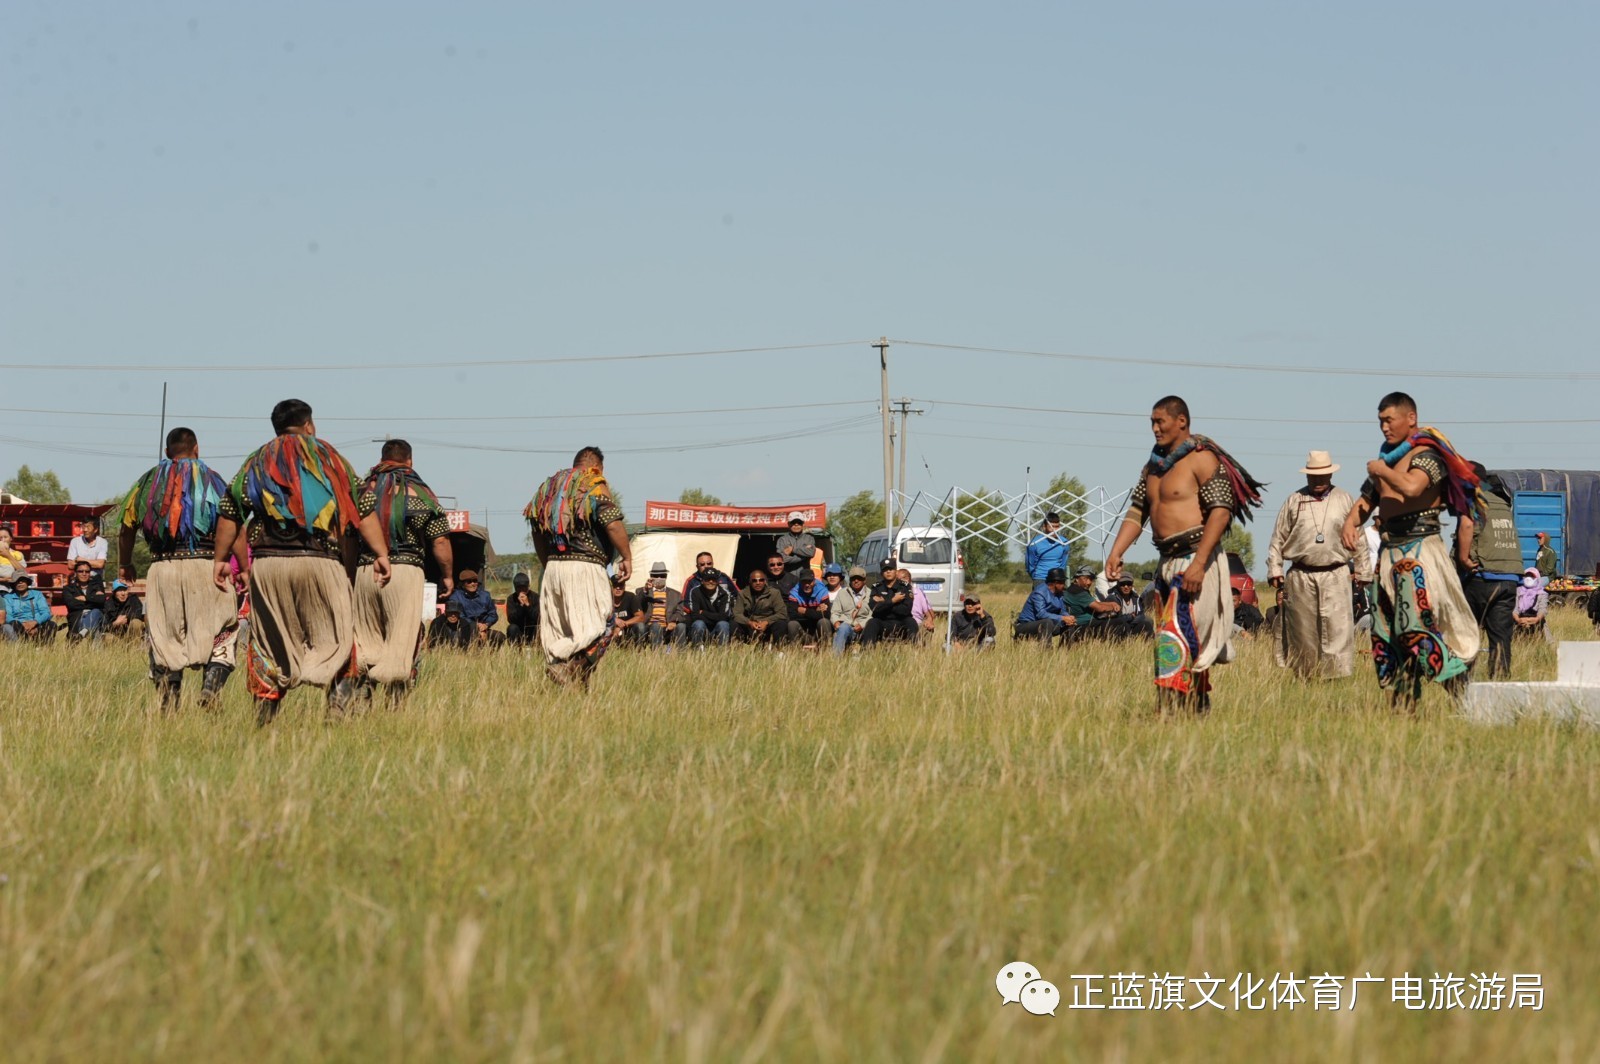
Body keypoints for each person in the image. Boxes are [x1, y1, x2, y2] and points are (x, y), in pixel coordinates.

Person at [213, 399, 391, 724]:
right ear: (309, 424)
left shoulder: (257, 460)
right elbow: (361, 510)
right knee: (339, 636)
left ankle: (265, 722)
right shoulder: (330, 457)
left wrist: (221, 559)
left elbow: (229, 512)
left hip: (267, 564)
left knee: (268, 642)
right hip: (320, 561)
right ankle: (336, 713)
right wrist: (380, 554)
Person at [1105, 396, 1265, 712]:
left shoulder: (1202, 460)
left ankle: (1187, 706)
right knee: (1170, 636)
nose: (1154, 428)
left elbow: (1220, 512)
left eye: (1159, 421)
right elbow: (1138, 511)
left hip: (1197, 560)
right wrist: (1116, 551)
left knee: (1187, 636)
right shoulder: (1152, 467)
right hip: (1167, 563)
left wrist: (1200, 564)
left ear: (1181, 421)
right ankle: (1181, 706)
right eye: (1151, 421)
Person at [1339, 392, 1481, 706]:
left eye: (1389, 420)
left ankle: (1460, 688)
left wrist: (1381, 470)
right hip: (1389, 553)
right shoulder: (1386, 459)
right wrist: (1351, 523)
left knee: (1413, 625)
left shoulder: (1427, 454)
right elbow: (1367, 501)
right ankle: (1404, 707)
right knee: (1387, 633)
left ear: (1410, 418)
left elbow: (1412, 487)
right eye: (1380, 422)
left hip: (1420, 551)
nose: (1384, 427)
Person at [118, 426, 246, 710]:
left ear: (167, 453)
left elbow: (126, 529)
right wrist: (245, 568)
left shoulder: (147, 482)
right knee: (223, 628)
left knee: (165, 635)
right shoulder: (214, 481)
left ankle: (168, 702)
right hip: (207, 566)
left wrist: (125, 563)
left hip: (162, 568)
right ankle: (211, 687)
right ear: (197, 448)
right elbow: (234, 527)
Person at [354, 441, 455, 701]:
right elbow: (440, 540)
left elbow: (345, 534)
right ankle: (394, 703)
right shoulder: (421, 492)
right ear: (409, 461)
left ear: (381, 459)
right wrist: (447, 576)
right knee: (402, 640)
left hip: (365, 570)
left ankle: (362, 698)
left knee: (365, 639)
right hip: (406, 570)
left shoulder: (362, 491)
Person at [527, 446, 632, 688]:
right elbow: (612, 523)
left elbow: (537, 533)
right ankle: (567, 669)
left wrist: (549, 565)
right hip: (585, 567)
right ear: (599, 467)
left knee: (565, 632)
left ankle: (577, 691)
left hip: (554, 568)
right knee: (604, 628)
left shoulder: (549, 488)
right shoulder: (594, 482)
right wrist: (627, 556)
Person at [1263, 450, 1372, 679]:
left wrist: (1363, 571)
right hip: (1301, 575)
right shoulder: (1294, 500)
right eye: (1313, 476)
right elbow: (1277, 538)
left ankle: (1335, 677)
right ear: (1307, 476)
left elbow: (1359, 536)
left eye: (1322, 475)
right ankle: (1306, 677)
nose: (1318, 480)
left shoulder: (1344, 499)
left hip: (1336, 574)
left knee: (1337, 630)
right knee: (1303, 631)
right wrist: (1275, 568)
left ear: (1330, 475)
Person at [1454, 463, 1522, 680]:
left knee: (1467, 635)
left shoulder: (1472, 501)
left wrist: (1463, 558)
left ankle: (1461, 687)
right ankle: (1499, 688)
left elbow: (1466, 525)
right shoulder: (1502, 503)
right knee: (1501, 638)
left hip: (1480, 578)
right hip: (1508, 578)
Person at [1062, 564, 1149, 641]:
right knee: (1119, 622)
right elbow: (1099, 607)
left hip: (1088, 623)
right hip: (1083, 625)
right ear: (1077, 579)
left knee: (1143, 622)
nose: (1089, 582)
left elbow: (1095, 604)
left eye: (1091, 579)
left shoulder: (1078, 590)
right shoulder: (1077, 591)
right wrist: (1112, 605)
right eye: (1086, 579)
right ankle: (1121, 646)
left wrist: (1110, 606)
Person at [733, 567, 797, 645]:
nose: (758, 583)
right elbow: (736, 614)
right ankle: (736, 648)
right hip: (750, 625)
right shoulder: (743, 594)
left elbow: (782, 613)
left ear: (765, 581)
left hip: (768, 625)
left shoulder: (774, 593)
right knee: (734, 623)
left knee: (781, 623)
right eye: (754, 580)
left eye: (761, 580)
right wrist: (749, 622)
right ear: (750, 582)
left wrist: (766, 622)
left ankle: (779, 650)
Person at [861, 561, 918, 646]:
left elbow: (906, 610)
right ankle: (866, 652)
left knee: (912, 622)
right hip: (882, 621)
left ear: (895, 571)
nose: (888, 572)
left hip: (901, 621)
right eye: (885, 570)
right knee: (871, 622)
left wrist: (884, 603)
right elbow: (875, 609)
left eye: (891, 569)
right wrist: (893, 601)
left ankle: (916, 652)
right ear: (881, 573)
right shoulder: (877, 587)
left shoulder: (905, 586)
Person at [1014, 567, 1073, 645]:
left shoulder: (1060, 593)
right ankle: (1046, 652)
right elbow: (1041, 614)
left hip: (1046, 624)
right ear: (1055, 583)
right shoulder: (1039, 593)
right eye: (1062, 582)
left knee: (1069, 624)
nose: (1064, 585)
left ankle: (1065, 651)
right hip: (1026, 625)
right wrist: (1062, 618)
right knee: (1046, 622)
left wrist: (1068, 618)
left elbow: (1062, 610)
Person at [445, 570, 503, 648]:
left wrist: (486, 625)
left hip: (483, 629)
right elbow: (460, 617)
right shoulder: (455, 598)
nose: (473, 584)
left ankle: (490, 657)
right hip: (464, 631)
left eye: (475, 581)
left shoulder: (485, 596)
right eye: (469, 582)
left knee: (500, 636)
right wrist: (476, 627)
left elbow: (493, 615)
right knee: (472, 629)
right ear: (462, 584)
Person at [635, 561, 684, 649]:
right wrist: (645, 590)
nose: (659, 578)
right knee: (655, 625)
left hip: (667, 627)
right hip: (649, 626)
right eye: (656, 576)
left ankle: (682, 656)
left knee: (681, 626)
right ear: (651, 577)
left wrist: (673, 621)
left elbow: (680, 613)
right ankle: (656, 655)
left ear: (666, 577)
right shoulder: (642, 591)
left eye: (662, 576)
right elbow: (637, 604)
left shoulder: (676, 595)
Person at [683, 567, 734, 646]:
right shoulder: (695, 592)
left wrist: (703, 612)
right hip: (703, 627)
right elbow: (695, 616)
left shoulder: (725, 593)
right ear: (702, 581)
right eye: (707, 579)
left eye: (713, 579)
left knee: (723, 624)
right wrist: (716, 616)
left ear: (717, 581)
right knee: (698, 623)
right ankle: (697, 651)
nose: (711, 582)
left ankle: (722, 653)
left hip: (717, 627)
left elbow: (724, 617)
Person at [1, 574, 56, 642]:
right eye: (17, 581)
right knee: (14, 623)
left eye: (23, 581)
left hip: (37, 623)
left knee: (51, 624)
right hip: (18, 625)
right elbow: (8, 615)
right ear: (14, 584)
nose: (20, 583)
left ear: (27, 583)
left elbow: (46, 612)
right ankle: (22, 645)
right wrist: (23, 625)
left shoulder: (37, 594)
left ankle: (44, 648)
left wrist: (35, 623)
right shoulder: (8, 597)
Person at [830, 565, 872, 654]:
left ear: (864, 580)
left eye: (859, 578)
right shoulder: (842, 593)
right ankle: (836, 660)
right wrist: (836, 622)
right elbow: (834, 612)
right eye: (853, 578)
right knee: (843, 628)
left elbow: (873, 614)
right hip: (847, 625)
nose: (856, 581)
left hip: (864, 627)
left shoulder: (871, 594)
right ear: (850, 580)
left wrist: (862, 625)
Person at [787, 568, 833, 647]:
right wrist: (816, 611)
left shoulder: (822, 591)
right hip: (803, 631)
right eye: (804, 582)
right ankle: (794, 653)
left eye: (809, 581)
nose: (807, 585)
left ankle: (826, 651)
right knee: (792, 624)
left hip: (818, 631)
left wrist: (804, 611)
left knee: (824, 621)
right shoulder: (794, 593)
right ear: (800, 582)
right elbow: (792, 615)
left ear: (814, 581)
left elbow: (826, 615)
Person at [61, 561, 106, 642]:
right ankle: (95, 652)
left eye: (87, 571)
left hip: (97, 617)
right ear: (75, 573)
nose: (84, 574)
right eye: (81, 571)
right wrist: (93, 600)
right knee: (95, 617)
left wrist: (85, 598)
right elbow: (71, 605)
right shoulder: (68, 589)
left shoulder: (96, 586)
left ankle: (83, 632)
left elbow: (102, 601)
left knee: (96, 612)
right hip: (78, 619)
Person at [1024, 512, 1069, 587]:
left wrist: (1059, 575)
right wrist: (1036, 577)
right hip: (1040, 579)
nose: (1054, 530)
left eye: (1056, 526)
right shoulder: (1034, 543)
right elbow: (1029, 565)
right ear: (1044, 527)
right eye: (1051, 527)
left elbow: (1063, 563)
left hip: (1057, 579)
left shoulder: (1064, 543)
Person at [775, 512, 818, 579]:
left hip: (805, 577)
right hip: (787, 577)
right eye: (793, 522)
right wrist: (804, 557)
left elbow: (811, 553)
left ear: (803, 524)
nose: (796, 525)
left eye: (799, 523)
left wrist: (793, 549)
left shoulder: (809, 538)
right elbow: (782, 559)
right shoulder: (782, 540)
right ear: (788, 524)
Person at [1513, 567, 1550, 638]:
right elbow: (1514, 608)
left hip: (1536, 620)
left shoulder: (1542, 594)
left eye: (1532, 576)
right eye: (1527, 576)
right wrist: (1518, 619)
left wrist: (1537, 619)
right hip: (1519, 620)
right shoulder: (1517, 591)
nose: (1529, 578)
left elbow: (1543, 609)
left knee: (1548, 639)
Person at [901, 569, 937, 641]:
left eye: (902, 579)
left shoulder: (918, 592)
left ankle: (923, 651)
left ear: (908, 579)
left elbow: (931, 614)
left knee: (928, 629)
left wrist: (929, 620)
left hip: (917, 623)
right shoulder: (894, 593)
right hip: (901, 623)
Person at [505, 573, 540, 646]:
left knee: (541, 628)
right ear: (515, 588)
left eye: (524, 588)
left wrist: (527, 605)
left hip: (533, 629)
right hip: (519, 630)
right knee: (512, 628)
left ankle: (539, 652)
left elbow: (538, 618)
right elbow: (511, 619)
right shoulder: (511, 599)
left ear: (528, 586)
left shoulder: (536, 597)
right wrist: (520, 606)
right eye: (519, 588)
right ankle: (515, 653)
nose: (521, 590)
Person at [610, 573, 645, 644]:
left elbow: (641, 617)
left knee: (640, 626)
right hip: (610, 630)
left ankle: (638, 651)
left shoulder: (631, 597)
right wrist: (614, 620)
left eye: (621, 585)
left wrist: (622, 625)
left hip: (628, 630)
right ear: (610, 587)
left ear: (624, 586)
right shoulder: (605, 598)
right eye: (615, 585)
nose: (618, 588)